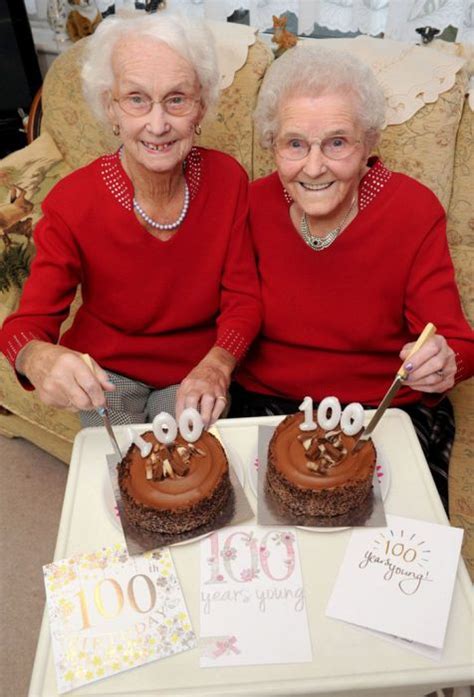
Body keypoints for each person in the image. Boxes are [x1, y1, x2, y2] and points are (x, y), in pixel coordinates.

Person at [229, 46, 474, 513]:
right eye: (295, 144)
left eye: (337, 143)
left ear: (368, 144)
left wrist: (443, 363)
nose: (315, 167)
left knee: (395, 565)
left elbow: (458, 342)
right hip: (265, 402)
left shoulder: (412, 210)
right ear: (272, 144)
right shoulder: (252, 205)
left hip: (384, 409)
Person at [0, 13, 261, 428]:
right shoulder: (73, 203)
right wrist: (35, 356)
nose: (157, 125)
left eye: (177, 99)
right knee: (125, 466)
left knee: (185, 462)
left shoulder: (227, 181)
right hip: (107, 372)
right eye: (137, 99)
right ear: (110, 108)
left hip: (195, 365)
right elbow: (26, 325)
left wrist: (218, 364)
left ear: (201, 107)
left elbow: (244, 299)